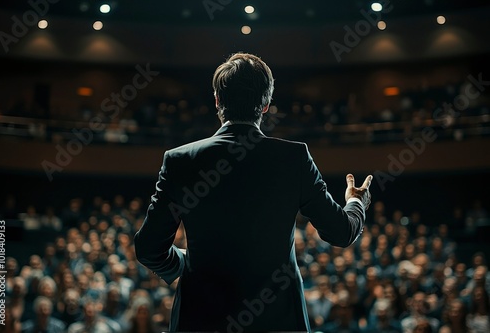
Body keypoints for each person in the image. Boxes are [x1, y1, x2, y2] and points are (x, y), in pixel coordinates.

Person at [134, 52, 373, 332]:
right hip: (277, 321)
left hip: (201, 320)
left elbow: (149, 248)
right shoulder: (293, 158)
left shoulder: (181, 160)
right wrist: (356, 202)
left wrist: (186, 264)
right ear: (266, 105)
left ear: (217, 101)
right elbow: (341, 232)